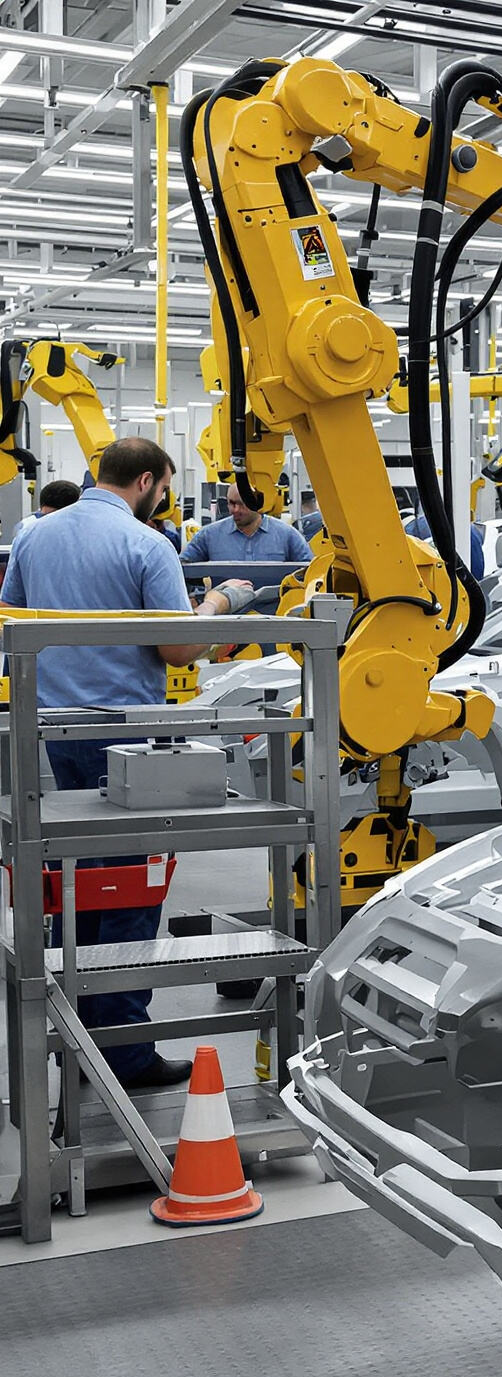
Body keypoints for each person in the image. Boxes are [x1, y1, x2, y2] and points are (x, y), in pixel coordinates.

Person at [1, 440, 251, 1090]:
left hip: (54, 728)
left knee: (78, 881)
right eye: (163, 487)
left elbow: (14, 623)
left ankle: (82, 1037)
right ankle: (125, 1054)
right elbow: (175, 649)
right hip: (130, 738)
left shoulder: (35, 536)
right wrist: (221, 604)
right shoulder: (147, 544)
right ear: (147, 481)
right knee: (133, 886)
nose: (162, 497)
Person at [181, 481, 312, 567]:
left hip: (274, 609)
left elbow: (310, 571)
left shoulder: (287, 535)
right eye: (231, 503)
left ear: (257, 503)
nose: (235, 509)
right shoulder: (209, 535)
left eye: (242, 504)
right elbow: (181, 567)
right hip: (226, 610)